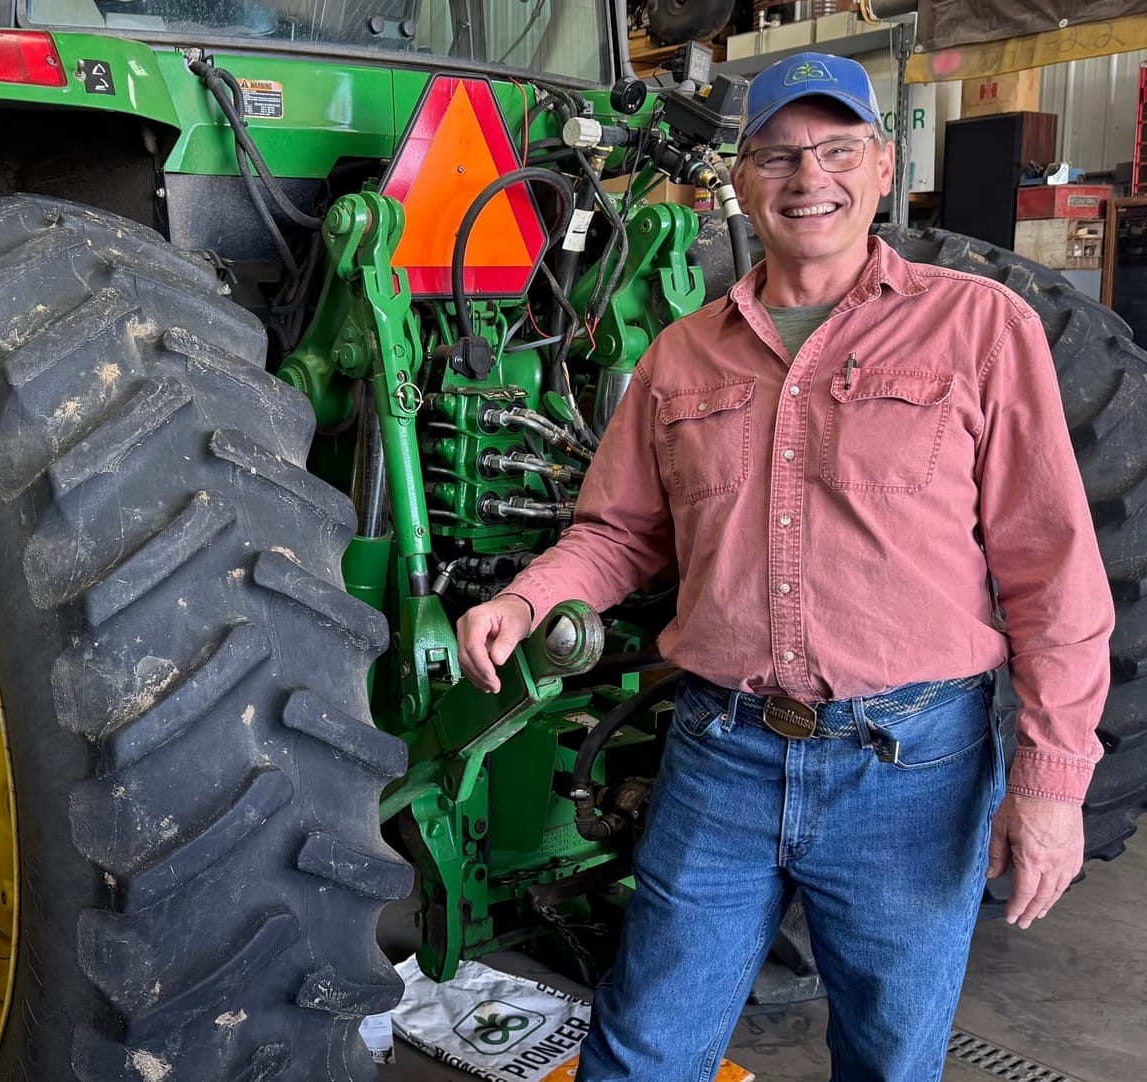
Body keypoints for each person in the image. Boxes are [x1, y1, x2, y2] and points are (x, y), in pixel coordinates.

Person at [455, 52, 1113, 1080]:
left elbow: (1052, 570)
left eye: (836, 150)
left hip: (910, 771)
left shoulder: (980, 327)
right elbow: (623, 530)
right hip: (721, 753)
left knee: (889, 1059)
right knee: (638, 1051)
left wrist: (1050, 779)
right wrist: (526, 594)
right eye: (776, 156)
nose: (809, 179)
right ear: (738, 177)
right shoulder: (680, 355)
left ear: (882, 166)